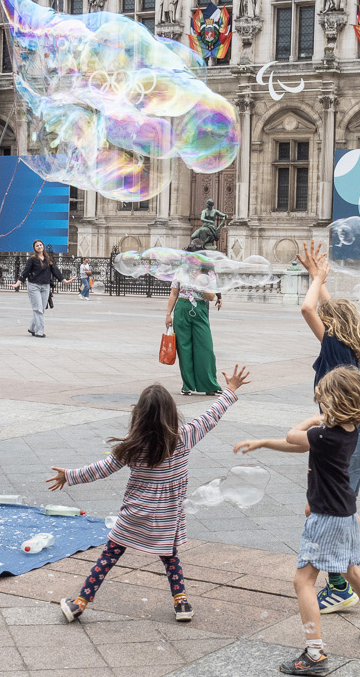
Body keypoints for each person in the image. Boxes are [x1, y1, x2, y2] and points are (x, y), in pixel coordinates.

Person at [242, 240, 360, 614]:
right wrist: (316, 275)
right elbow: (325, 307)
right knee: (344, 504)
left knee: (326, 509)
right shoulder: (345, 346)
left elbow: (308, 307)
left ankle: (339, 586)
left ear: (333, 327)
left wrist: (320, 277)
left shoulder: (334, 344)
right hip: (352, 436)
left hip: (339, 438)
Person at [49, 365, 250, 624]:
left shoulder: (131, 447)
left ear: (138, 416)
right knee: (170, 556)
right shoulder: (185, 437)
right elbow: (211, 415)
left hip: (134, 515)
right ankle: (182, 604)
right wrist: (230, 390)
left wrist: (70, 475)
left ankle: (79, 603)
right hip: (167, 517)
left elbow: (101, 469)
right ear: (172, 413)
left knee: (109, 555)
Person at [239, 367, 360, 677]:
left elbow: (295, 435)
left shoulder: (323, 432)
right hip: (347, 516)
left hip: (325, 520)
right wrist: (263, 443)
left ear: (332, 403)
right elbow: (299, 445)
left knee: (302, 582)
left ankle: (315, 653)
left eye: (321, 401)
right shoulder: (347, 432)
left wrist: (311, 420)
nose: (318, 407)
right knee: (351, 569)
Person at [166, 257, 222, 396]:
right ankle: (187, 384)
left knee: (205, 347)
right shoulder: (181, 271)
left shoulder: (209, 274)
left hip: (200, 308)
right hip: (182, 308)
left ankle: (209, 384)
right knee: (184, 348)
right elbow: (174, 293)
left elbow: (210, 297)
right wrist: (168, 314)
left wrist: (199, 281)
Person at [9, 239, 64, 337]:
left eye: (40, 245)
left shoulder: (48, 259)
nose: (39, 246)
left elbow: (55, 271)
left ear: (43, 246)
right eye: (37, 245)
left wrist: (64, 280)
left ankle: (31, 328)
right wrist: (17, 284)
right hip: (34, 286)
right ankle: (40, 331)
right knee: (38, 309)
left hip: (46, 286)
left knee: (41, 309)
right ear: (34, 248)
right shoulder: (32, 259)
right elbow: (25, 272)